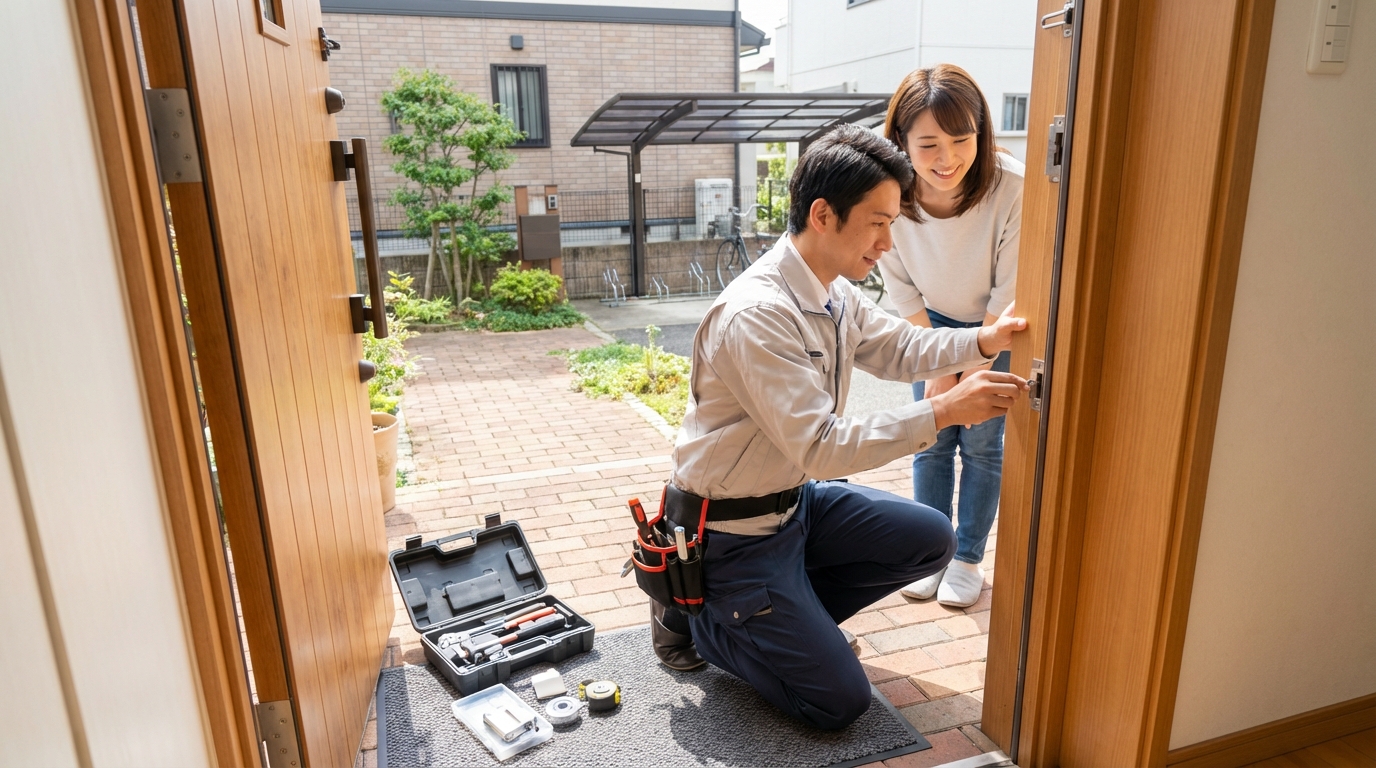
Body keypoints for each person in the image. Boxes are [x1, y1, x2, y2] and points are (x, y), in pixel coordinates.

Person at [649, 123, 1029, 730]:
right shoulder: (758, 315)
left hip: (794, 508)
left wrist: (982, 341)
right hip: (731, 534)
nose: (888, 239)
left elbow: (901, 348)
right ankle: (703, 623)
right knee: (838, 703)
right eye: (878, 221)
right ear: (823, 214)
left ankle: (785, 619)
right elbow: (822, 447)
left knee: (931, 539)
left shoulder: (834, 291)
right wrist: (946, 411)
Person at [877, 64, 1025, 608]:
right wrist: (940, 367)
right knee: (930, 438)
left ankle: (967, 558)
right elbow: (901, 287)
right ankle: (930, 554)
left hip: (999, 322)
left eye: (962, 140)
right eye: (929, 144)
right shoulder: (889, 191)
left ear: (981, 134)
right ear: (902, 142)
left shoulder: (1013, 187)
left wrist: (973, 367)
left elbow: (1007, 293)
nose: (947, 159)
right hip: (930, 325)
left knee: (983, 446)